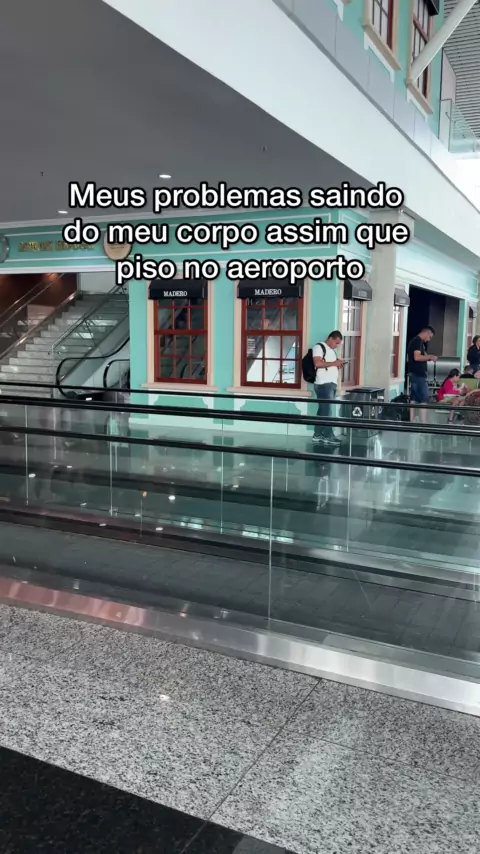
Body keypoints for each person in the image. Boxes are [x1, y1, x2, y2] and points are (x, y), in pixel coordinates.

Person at [312, 331, 346, 445]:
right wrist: (334, 363)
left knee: (323, 410)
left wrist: (338, 365)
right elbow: (317, 363)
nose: (337, 345)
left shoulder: (332, 351)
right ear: (330, 338)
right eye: (336, 343)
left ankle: (317, 434)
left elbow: (329, 364)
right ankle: (328, 435)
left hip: (331, 384)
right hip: (323, 384)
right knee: (327, 411)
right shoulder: (319, 347)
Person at [407, 326, 437, 423]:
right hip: (419, 374)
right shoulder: (418, 342)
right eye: (430, 337)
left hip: (414, 373)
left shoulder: (414, 341)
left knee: (414, 398)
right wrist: (430, 357)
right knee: (424, 398)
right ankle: (423, 423)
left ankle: (412, 421)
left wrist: (426, 357)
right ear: (426, 333)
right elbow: (417, 357)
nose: (429, 339)